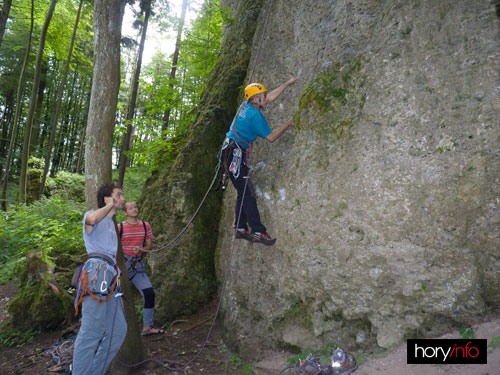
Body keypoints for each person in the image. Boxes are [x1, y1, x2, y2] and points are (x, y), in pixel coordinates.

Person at [220, 77, 298, 245]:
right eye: (262, 96)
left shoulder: (246, 105)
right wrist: (290, 122)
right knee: (247, 193)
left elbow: (269, 97)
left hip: (229, 151)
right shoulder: (254, 115)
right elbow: (271, 137)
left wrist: (286, 83)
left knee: (243, 190)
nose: (266, 98)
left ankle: (240, 228)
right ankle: (258, 231)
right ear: (255, 99)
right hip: (234, 155)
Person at [72, 184, 127, 375]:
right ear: (106, 198)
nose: (122, 198)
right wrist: (109, 206)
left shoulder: (112, 225)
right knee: (91, 332)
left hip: (111, 278)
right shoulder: (91, 215)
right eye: (118, 195)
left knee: (119, 330)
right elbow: (93, 219)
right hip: (97, 273)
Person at [117, 201, 163, 336]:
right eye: (130, 208)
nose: (134, 209)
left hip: (136, 266)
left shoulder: (145, 225)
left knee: (149, 293)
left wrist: (140, 249)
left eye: (135, 207)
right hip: (121, 266)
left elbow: (150, 246)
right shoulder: (120, 227)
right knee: (117, 297)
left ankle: (147, 327)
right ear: (125, 212)